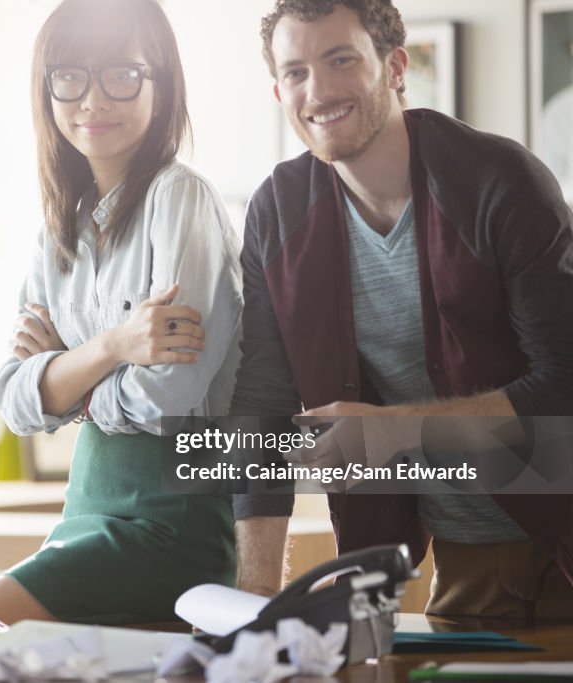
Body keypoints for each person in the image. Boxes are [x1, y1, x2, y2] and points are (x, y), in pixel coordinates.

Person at [231, 0, 573, 619]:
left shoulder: (503, 181)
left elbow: (564, 387)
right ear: (278, 90)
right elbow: (260, 403)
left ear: (393, 67)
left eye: (340, 60)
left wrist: (395, 433)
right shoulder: (276, 210)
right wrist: (255, 597)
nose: (319, 89)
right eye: (296, 71)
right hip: (470, 558)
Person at [0, 0, 243, 625]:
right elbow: (16, 402)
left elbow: (168, 400)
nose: (92, 100)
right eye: (70, 77)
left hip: (169, 528)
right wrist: (112, 347)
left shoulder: (178, 197)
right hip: (82, 518)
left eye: (122, 75)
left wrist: (64, 380)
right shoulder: (59, 230)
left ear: (161, 82)